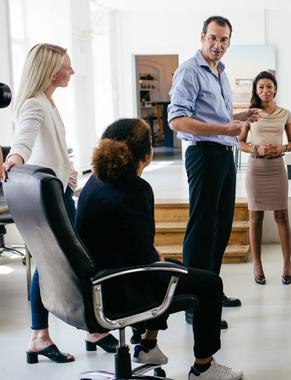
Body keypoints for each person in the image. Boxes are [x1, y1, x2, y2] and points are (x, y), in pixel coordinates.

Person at [76, 118, 243, 380]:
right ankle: (204, 367)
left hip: (96, 284)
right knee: (210, 284)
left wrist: (156, 259)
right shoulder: (136, 189)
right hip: (122, 288)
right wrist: (156, 258)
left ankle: (148, 346)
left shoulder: (94, 182)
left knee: (173, 266)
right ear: (146, 154)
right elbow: (145, 256)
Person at [3, 43, 117, 364]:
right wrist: (13, 158)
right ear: (52, 69)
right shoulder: (35, 106)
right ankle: (42, 335)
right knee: (52, 263)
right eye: (67, 65)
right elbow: (23, 140)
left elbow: (53, 146)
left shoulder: (46, 102)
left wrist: (68, 175)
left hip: (60, 194)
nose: (72, 70)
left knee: (70, 259)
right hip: (50, 199)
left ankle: (84, 329)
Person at [168, 16, 260, 326]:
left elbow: (217, 116)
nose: (217, 45)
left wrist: (241, 116)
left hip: (224, 154)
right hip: (203, 155)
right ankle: (194, 303)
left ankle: (210, 292)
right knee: (202, 229)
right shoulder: (189, 71)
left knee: (221, 228)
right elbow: (177, 120)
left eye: (223, 40)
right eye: (213, 38)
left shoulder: (220, 73)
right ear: (202, 37)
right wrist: (225, 127)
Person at [237, 71, 291, 285]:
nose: (265, 91)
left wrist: (281, 147)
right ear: (256, 90)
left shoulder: (285, 113)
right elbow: (240, 143)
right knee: (256, 218)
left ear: (275, 89)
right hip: (256, 169)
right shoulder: (251, 114)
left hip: (276, 168)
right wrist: (257, 148)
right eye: (261, 87)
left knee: (282, 215)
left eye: (269, 86)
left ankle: (287, 264)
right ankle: (258, 265)